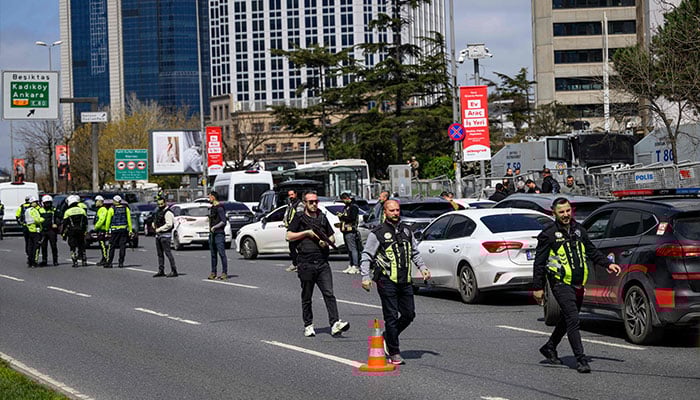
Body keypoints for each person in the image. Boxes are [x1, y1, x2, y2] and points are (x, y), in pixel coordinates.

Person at [532, 198, 621, 373]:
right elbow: (539, 263)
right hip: (560, 282)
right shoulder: (548, 234)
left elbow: (591, 250)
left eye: (567, 211)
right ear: (554, 213)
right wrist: (538, 287)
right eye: (561, 212)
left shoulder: (579, 230)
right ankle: (580, 360)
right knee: (573, 319)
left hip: (578, 283)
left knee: (567, 319)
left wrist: (607, 264)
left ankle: (550, 347)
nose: (565, 215)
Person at [360, 199, 431, 365]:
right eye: (392, 210)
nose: (395, 213)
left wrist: (423, 267)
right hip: (386, 280)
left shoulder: (407, 230)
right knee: (391, 316)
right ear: (385, 212)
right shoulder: (377, 232)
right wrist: (365, 277)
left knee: (409, 314)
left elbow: (414, 252)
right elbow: (366, 255)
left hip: (405, 280)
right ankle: (394, 351)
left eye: (397, 210)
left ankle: (388, 336)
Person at [286, 191, 350, 338]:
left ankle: (335, 323)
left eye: (316, 201)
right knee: (307, 296)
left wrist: (327, 241)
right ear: (305, 203)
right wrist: (306, 233)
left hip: (322, 262)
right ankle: (308, 325)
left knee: (329, 293)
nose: (314, 204)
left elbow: (331, 235)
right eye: (311, 202)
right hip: (306, 263)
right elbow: (288, 236)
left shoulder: (322, 217)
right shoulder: (299, 218)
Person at [152, 195, 178, 278]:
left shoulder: (168, 212)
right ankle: (161, 270)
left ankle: (174, 271)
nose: (160, 206)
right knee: (160, 254)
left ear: (165, 203)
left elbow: (169, 224)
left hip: (165, 236)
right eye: (158, 204)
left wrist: (159, 229)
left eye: (161, 204)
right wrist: (154, 224)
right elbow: (156, 220)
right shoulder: (158, 211)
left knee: (168, 253)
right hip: (158, 236)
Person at [105, 195, 133, 268]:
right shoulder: (126, 208)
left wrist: (107, 230)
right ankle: (121, 263)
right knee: (122, 246)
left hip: (114, 230)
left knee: (111, 246)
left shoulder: (111, 209)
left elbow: (108, 221)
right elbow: (129, 220)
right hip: (123, 230)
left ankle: (109, 262)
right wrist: (130, 230)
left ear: (114, 201)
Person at [337, 192, 362, 275]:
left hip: (351, 230)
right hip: (345, 230)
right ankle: (351, 264)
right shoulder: (347, 207)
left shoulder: (353, 207)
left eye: (344, 199)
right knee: (349, 249)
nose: (343, 201)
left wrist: (342, 216)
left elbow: (352, 218)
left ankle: (356, 265)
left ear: (347, 198)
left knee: (353, 248)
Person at [62, 195, 88, 268]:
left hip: (72, 231)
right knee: (82, 245)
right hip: (81, 230)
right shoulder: (82, 210)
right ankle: (84, 260)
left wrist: (63, 234)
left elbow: (64, 224)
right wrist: (85, 231)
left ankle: (75, 261)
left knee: (72, 246)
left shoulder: (67, 212)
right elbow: (85, 222)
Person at [207, 191, 228, 280]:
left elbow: (223, 221)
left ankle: (224, 273)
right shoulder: (212, 208)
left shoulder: (220, 208)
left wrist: (215, 227)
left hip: (219, 234)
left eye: (210, 197)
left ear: (213, 197)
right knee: (213, 255)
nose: (209, 199)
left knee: (222, 254)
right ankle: (213, 272)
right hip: (212, 234)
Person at [283, 189, 305, 273]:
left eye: (292, 195)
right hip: (291, 229)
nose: (290, 197)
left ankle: (298, 265)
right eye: (289, 195)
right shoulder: (291, 204)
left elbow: (300, 216)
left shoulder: (299, 204)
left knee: (297, 248)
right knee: (292, 248)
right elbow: (287, 215)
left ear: (296, 194)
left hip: (297, 229)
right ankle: (295, 264)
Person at [39, 195, 60, 266]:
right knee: (44, 246)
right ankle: (44, 260)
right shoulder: (40, 210)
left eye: (49, 203)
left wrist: (57, 224)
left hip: (52, 230)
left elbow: (59, 217)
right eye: (46, 203)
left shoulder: (54, 210)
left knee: (53, 246)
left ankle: (55, 260)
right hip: (43, 230)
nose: (48, 205)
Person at [24, 197, 44, 268]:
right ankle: (34, 262)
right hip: (36, 230)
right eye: (35, 202)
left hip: (29, 230)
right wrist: (43, 219)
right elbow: (37, 219)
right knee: (36, 247)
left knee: (30, 247)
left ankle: (30, 261)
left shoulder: (27, 210)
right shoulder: (33, 210)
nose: (36, 203)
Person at [93, 195, 110, 266]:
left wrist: (96, 227)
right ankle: (104, 258)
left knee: (103, 245)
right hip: (101, 230)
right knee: (102, 245)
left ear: (100, 201)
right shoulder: (100, 209)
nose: (95, 203)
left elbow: (101, 219)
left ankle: (105, 258)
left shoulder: (103, 209)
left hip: (102, 230)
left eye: (96, 201)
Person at [16, 196, 32, 262]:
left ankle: (28, 253)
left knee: (27, 241)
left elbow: (17, 215)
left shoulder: (22, 206)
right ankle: (31, 254)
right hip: (32, 226)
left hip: (25, 226)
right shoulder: (32, 207)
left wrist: (20, 222)